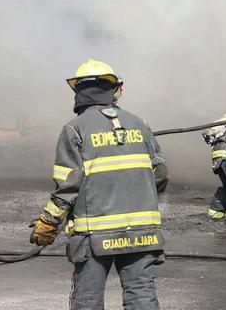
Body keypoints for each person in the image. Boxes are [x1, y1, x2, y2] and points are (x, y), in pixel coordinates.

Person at [29, 59, 168, 310]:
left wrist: (49, 222)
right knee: (142, 296)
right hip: (142, 232)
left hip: (94, 236)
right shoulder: (140, 124)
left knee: (87, 300)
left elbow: (68, 186)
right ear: (114, 89)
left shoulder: (74, 129)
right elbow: (160, 176)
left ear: (78, 91)